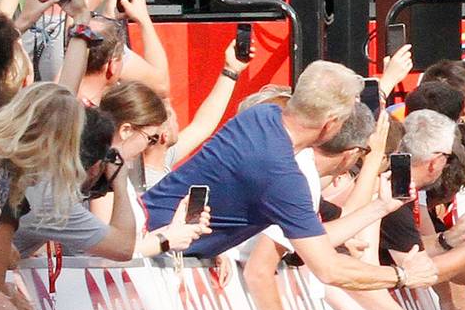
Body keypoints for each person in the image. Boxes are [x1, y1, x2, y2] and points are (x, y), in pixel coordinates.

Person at [140, 61, 447, 291]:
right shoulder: (282, 177)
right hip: (148, 263)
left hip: (150, 239)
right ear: (330, 124)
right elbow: (328, 268)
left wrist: (381, 206)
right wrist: (404, 276)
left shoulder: (259, 117)